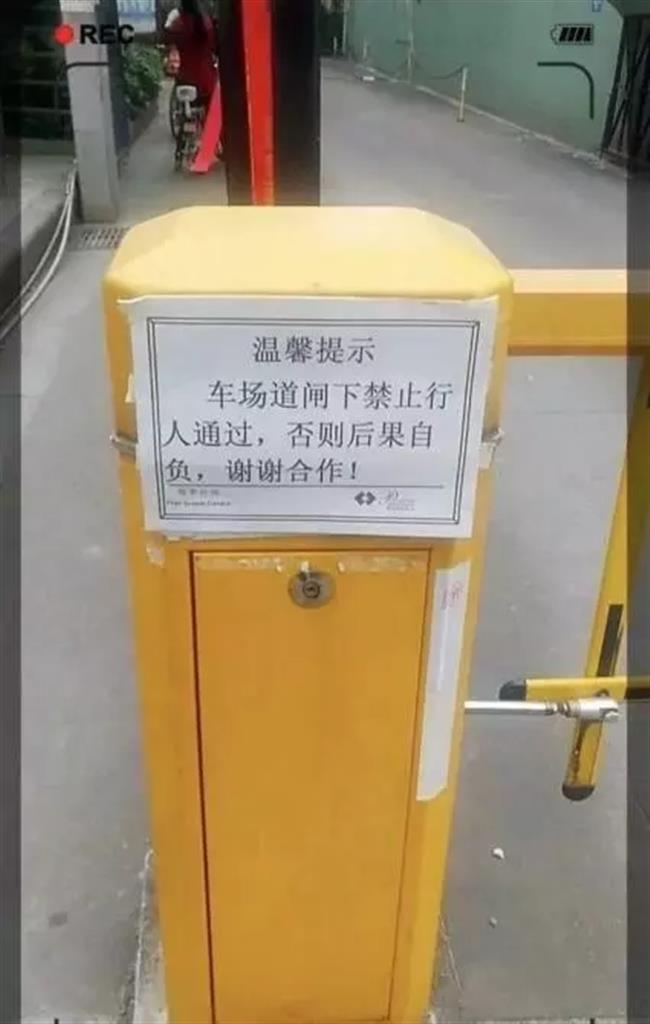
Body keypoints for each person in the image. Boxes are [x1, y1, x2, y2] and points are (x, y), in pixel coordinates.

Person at [164, 0, 217, 109]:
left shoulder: (178, 23)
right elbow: (214, 45)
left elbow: (168, 37)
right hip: (206, 80)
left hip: (185, 76)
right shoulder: (206, 24)